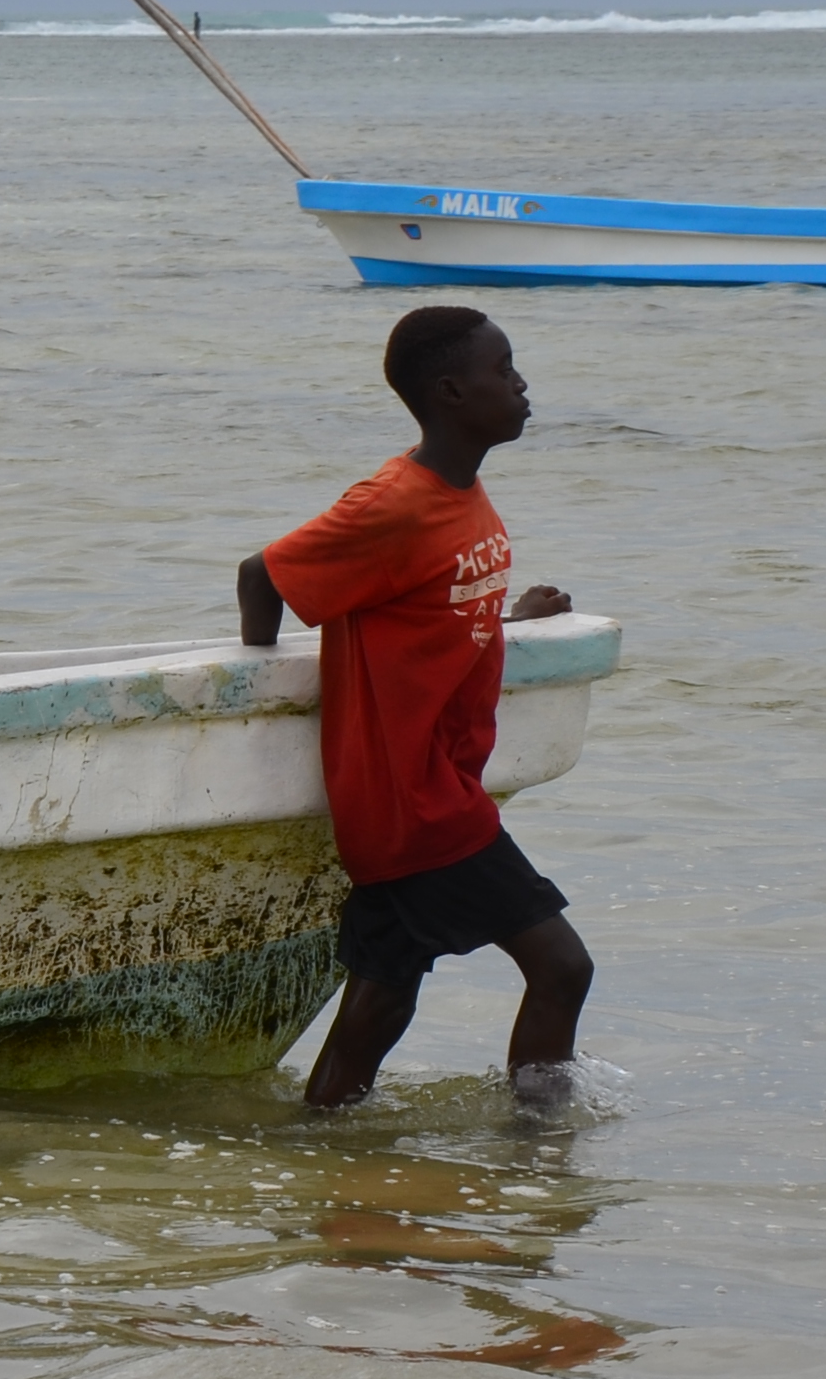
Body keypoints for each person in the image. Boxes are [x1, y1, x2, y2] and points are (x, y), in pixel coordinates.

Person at [236, 305, 588, 1110]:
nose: (522, 382)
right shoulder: (392, 502)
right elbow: (264, 575)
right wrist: (259, 685)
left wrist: (507, 619)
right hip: (422, 806)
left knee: (381, 1001)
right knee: (563, 966)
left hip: (410, 798)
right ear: (452, 390)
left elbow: (426, 614)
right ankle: (539, 1160)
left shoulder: (460, 491)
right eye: (505, 369)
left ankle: (318, 1151)